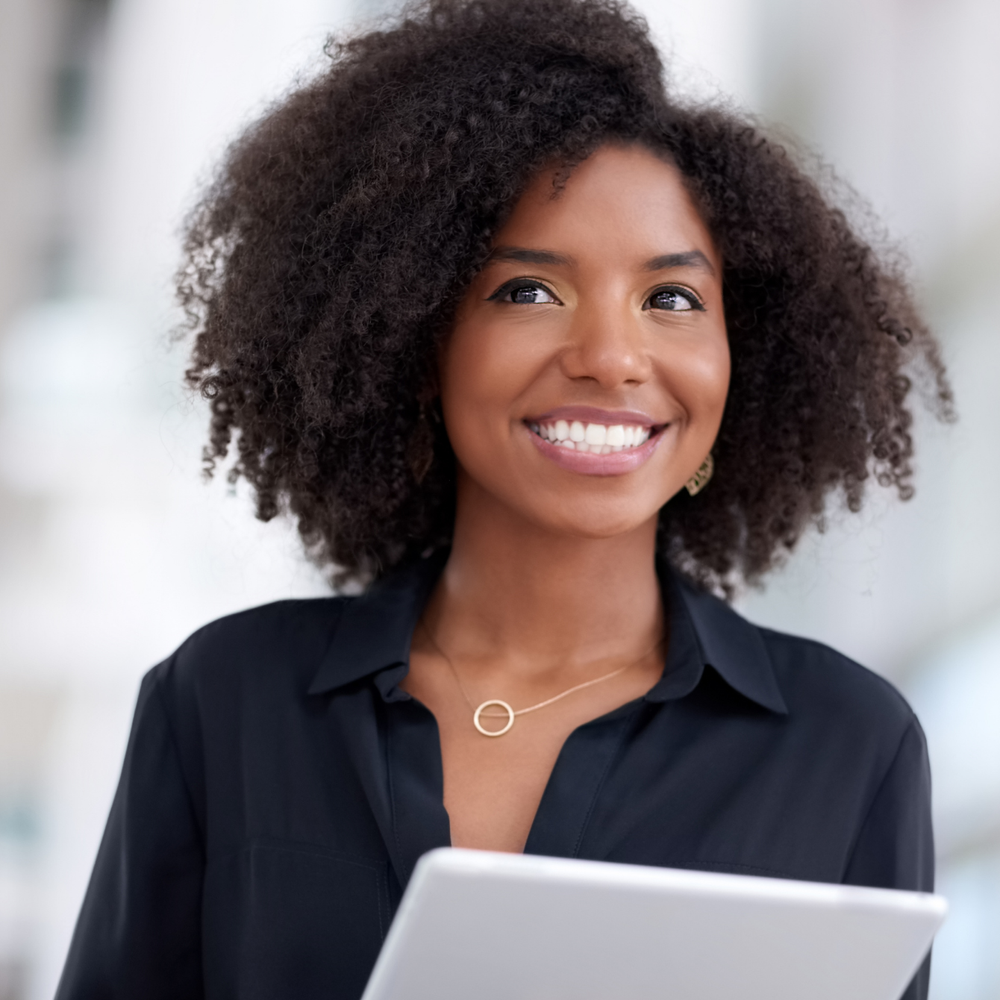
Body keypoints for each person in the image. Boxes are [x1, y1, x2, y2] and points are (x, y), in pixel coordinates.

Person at [56, 0, 953, 997]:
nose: (611, 358)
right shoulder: (224, 702)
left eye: (673, 299)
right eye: (528, 291)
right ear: (412, 334)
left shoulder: (849, 742)